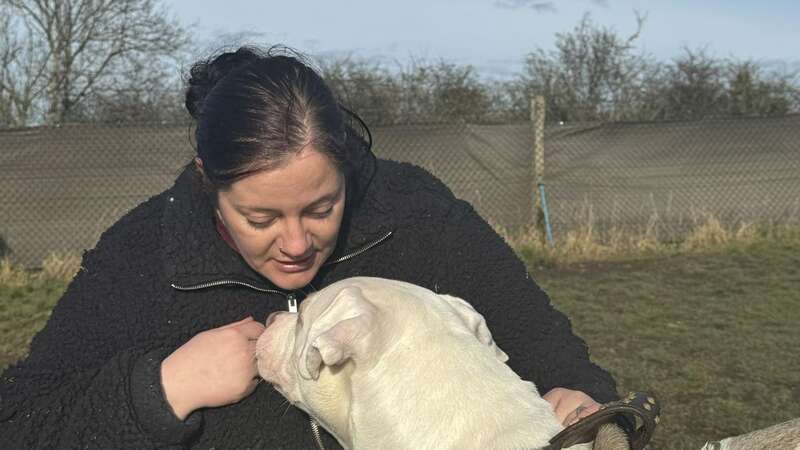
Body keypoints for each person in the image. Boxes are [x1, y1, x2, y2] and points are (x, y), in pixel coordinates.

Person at [0, 46, 625, 448]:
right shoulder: (144, 256)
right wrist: (161, 388)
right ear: (206, 181)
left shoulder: (417, 216)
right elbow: (21, 420)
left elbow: (545, 345)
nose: (297, 243)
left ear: (348, 167)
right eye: (260, 216)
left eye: (322, 207)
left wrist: (582, 405)